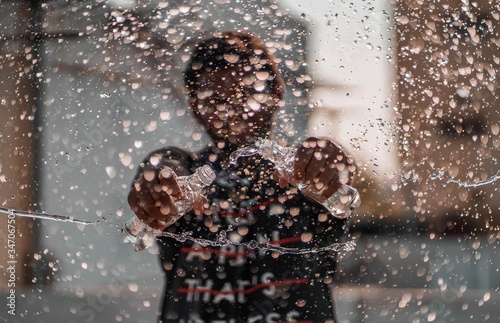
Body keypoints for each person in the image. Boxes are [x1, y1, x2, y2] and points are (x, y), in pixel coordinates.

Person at [127, 31, 356, 322]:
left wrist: (335, 168)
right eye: (215, 98)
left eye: (245, 93)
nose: (230, 108)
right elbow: (163, 166)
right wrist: (158, 185)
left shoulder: (304, 177)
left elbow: (339, 173)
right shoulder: (185, 173)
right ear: (195, 106)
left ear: (276, 93)